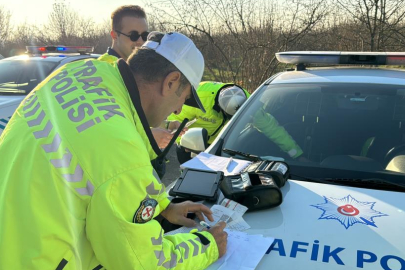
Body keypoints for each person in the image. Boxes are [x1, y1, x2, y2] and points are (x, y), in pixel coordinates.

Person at [0, 32, 227, 269]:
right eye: (185, 98)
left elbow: (99, 170)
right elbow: (144, 262)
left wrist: (164, 206)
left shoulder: (80, 73)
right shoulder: (120, 148)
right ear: (170, 81)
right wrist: (207, 244)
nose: (179, 110)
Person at [99, 5, 182, 177]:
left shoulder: (131, 70)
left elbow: (136, 116)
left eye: (144, 36)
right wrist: (149, 136)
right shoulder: (107, 71)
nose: (140, 42)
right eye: (133, 35)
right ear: (114, 35)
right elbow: (105, 131)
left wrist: (169, 125)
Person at [168, 81, 250, 163]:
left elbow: (260, 120)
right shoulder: (198, 97)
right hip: (192, 143)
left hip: (221, 145)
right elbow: (175, 120)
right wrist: (184, 142)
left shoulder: (249, 100)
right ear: (219, 105)